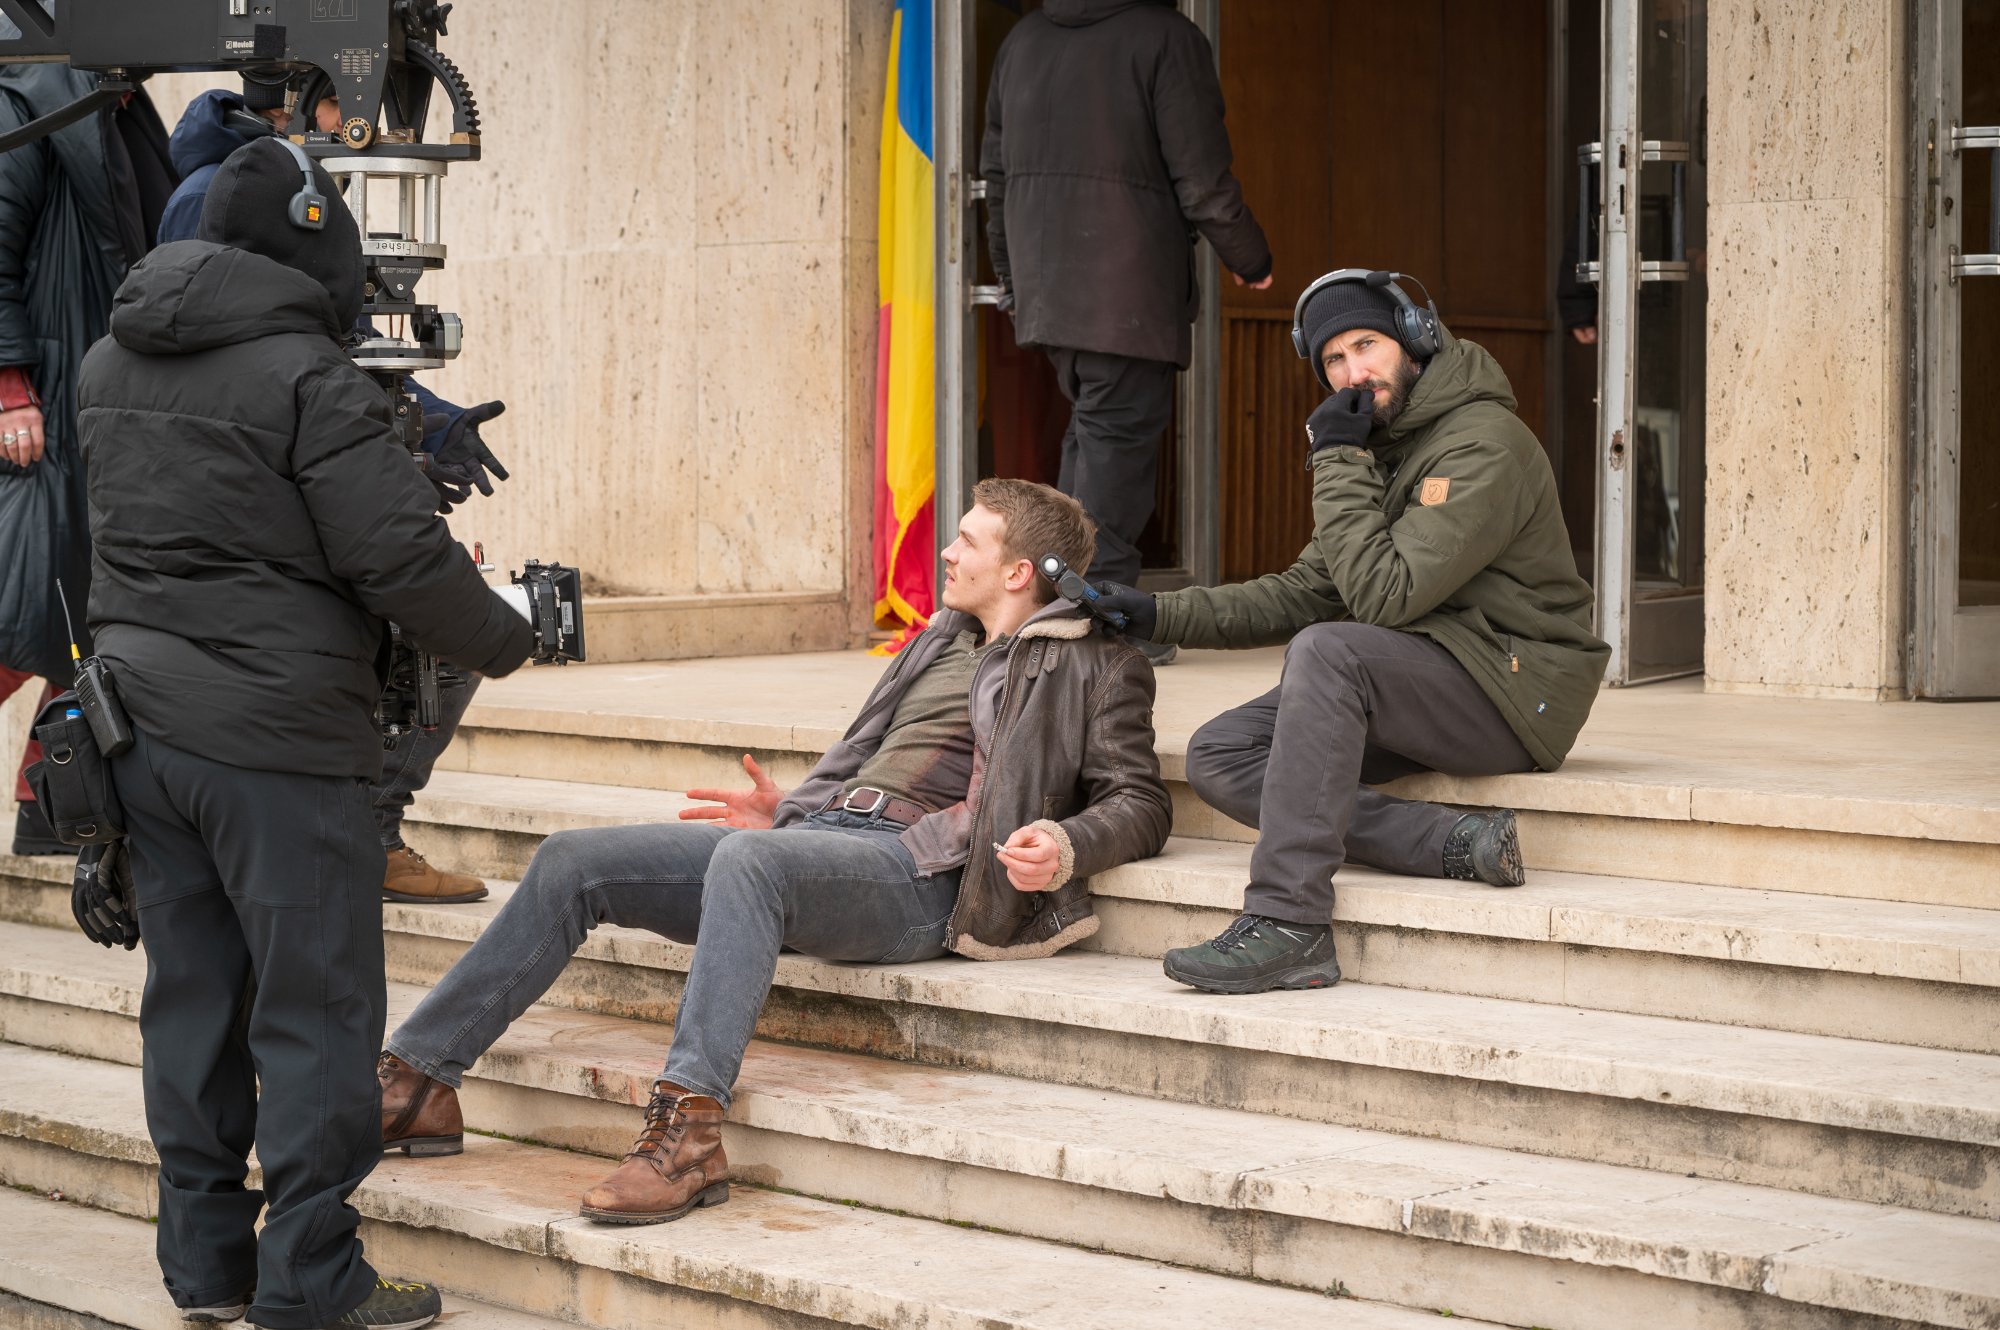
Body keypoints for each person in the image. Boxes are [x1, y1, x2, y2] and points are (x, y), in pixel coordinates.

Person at [375, 478, 1172, 1225]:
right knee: (573, 859)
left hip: (926, 875)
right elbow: (875, 758)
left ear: (1019, 570)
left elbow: (1140, 801)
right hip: (830, 841)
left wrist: (1065, 844)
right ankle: (417, 1081)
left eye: (967, 541)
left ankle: (688, 1134)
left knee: (749, 864)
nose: (948, 553)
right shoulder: (940, 640)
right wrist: (792, 807)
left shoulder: (1098, 666)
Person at [77, 138, 537, 1329]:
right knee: (316, 1011)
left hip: (143, 733)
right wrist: (509, 632)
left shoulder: (106, 358)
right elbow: (396, 557)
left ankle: (207, 1266)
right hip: (277, 739)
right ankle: (314, 1277)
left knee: (193, 1001)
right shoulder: (306, 376)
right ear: (314, 252)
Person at [1093, 270, 1610, 995]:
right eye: (1334, 360)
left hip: (1513, 690)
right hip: (1427, 674)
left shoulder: (1483, 444)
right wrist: (1156, 612)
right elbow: (1311, 588)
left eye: (1367, 345)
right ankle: (1452, 842)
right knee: (1221, 754)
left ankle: (1289, 922)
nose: (1353, 373)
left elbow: (1385, 597)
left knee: (1329, 652)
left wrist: (1336, 458)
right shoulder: (1384, 446)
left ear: (1416, 340)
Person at [156, 75, 508, 906]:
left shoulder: (277, 187)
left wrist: (425, 415)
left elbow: (327, 336)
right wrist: (502, 633)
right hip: (246, 620)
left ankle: (366, 833)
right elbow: (288, 371)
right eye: (364, 104)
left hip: (194, 663)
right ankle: (369, 837)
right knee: (432, 640)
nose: (374, 126)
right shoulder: (222, 197)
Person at [980, 0, 1271, 662]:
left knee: (1090, 441)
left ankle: (1063, 603)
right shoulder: (1166, 37)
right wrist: (1249, 258)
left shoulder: (1022, 42)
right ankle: (1096, 618)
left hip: (1053, 290)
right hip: (1128, 289)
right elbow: (1201, 174)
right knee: (1114, 455)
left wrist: (1016, 280)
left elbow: (995, 178)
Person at [1, 64, 174, 855]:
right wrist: (10, 388)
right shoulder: (30, 99)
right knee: (33, 611)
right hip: (43, 408)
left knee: (80, 618)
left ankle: (51, 814)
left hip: (103, 404)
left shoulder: (125, 107)